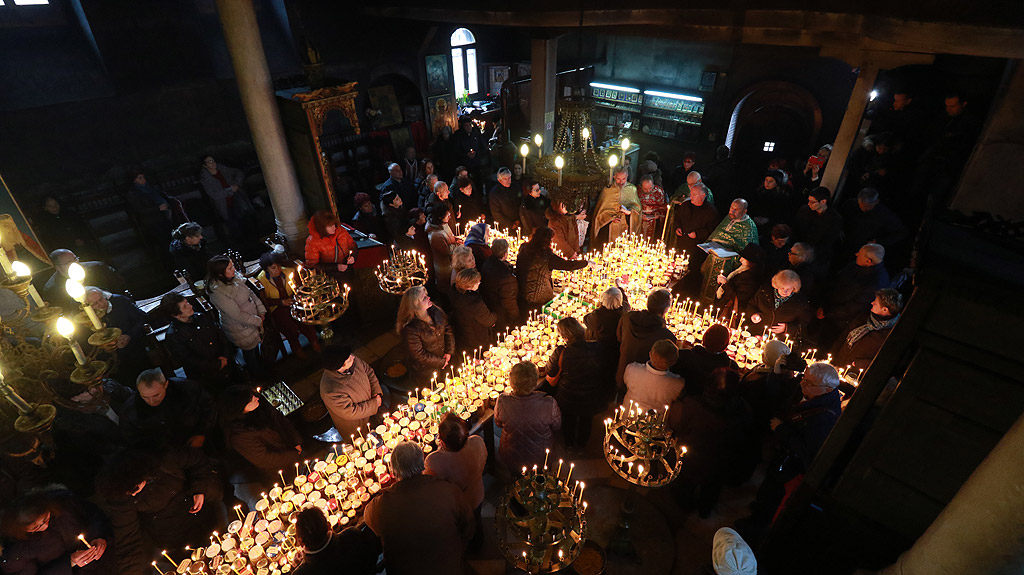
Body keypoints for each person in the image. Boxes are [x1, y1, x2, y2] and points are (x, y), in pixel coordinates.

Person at [96, 447, 224, 575]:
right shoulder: (121, 497)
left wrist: (199, 488)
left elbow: (198, 462)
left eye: (134, 489)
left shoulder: (165, 459)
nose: (133, 495)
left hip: (206, 515)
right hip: (175, 537)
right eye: (128, 494)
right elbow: (128, 542)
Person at [363, 441, 474, 575]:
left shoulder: (381, 506)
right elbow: (469, 527)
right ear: (422, 464)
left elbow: (369, 518)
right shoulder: (448, 491)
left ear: (393, 472)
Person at [667, 368, 749, 517]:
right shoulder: (741, 409)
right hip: (720, 461)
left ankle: (685, 505)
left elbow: (677, 425)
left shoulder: (692, 405)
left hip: (692, 457)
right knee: (712, 487)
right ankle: (705, 509)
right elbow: (741, 437)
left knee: (687, 483)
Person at [46, 377, 131, 497]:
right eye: (86, 391)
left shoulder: (107, 387)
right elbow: (98, 447)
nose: (95, 390)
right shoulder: (73, 423)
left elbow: (133, 399)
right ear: (74, 398)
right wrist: (130, 451)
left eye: (91, 386)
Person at [219, 385, 302, 506]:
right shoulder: (239, 436)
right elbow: (266, 458)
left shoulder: (260, 405)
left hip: (291, 450)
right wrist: (295, 454)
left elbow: (280, 419)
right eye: (250, 399)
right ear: (240, 408)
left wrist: (295, 442)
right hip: (278, 469)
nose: (255, 397)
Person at [0, 489, 113, 575]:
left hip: (108, 563)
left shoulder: (63, 503)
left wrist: (99, 536)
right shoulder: (18, 551)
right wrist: (69, 562)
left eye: (45, 518)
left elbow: (94, 514)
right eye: (36, 527)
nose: (45, 526)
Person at [424, 413, 488, 552]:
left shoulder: (434, 461)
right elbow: (484, 458)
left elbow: (434, 486)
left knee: (463, 528)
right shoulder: (476, 442)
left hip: (457, 504)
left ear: (441, 439)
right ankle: (479, 542)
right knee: (476, 518)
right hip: (477, 493)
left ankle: (469, 548)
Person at [545, 318, 609, 452]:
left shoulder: (562, 352)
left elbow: (550, 374)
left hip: (569, 397)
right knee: (586, 421)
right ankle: (582, 445)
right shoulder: (597, 346)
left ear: (565, 336)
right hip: (591, 395)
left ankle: (568, 444)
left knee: (568, 421)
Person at [119, 369, 216, 451]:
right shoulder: (129, 411)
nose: (151, 401)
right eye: (145, 397)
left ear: (166, 384)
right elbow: (133, 440)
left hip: (200, 440)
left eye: (156, 395)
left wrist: (201, 433)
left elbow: (209, 406)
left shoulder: (187, 389)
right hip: (166, 455)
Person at [159, 293, 240, 390]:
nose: (191, 306)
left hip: (227, 363)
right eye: (185, 306)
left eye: (187, 302)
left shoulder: (200, 317)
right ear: (175, 315)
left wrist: (225, 356)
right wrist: (217, 364)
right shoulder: (173, 336)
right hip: (206, 377)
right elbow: (189, 361)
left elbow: (221, 336)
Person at [817, 243, 890, 348]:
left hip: (840, 322)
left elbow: (854, 307)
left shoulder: (875, 283)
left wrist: (828, 312)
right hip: (831, 313)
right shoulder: (856, 266)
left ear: (868, 261)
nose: (856, 254)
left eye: (859, 254)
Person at [494, 361, 561, 475]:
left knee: (516, 479)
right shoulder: (549, 403)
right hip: (541, 454)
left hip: (511, 453)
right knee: (539, 478)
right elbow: (557, 426)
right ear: (535, 382)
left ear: (512, 382)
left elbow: (498, 423)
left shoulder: (502, 401)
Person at [206, 256, 266, 374]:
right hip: (241, 329)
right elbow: (237, 315)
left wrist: (261, 310)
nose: (234, 269)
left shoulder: (235, 278)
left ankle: (262, 369)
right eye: (230, 268)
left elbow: (251, 294)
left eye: (232, 265)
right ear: (220, 274)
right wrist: (258, 321)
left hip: (253, 321)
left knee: (256, 350)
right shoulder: (219, 293)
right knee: (250, 355)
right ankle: (257, 376)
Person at [256, 252, 321, 360]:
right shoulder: (262, 280)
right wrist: (281, 302)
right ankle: (297, 349)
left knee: (304, 319)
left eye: (278, 266)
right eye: (273, 268)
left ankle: (314, 342)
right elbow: (264, 300)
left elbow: (298, 288)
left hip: (293, 302)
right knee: (290, 326)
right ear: (266, 269)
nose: (277, 269)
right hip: (277, 308)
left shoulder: (288, 272)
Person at [515, 227, 588, 316]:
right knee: (539, 314)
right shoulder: (547, 256)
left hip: (522, 289)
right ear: (547, 241)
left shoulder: (524, 247)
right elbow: (568, 265)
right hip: (539, 295)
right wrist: (586, 263)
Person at [83, 286, 151, 380]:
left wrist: (129, 336)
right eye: (95, 304)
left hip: (136, 349)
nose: (101, 305)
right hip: (112, 363)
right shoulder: (85, 321)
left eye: (101, 299)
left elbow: (142, 318)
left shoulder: (120, 301)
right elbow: (88, 347)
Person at [319, 344, 384, 441]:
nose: (353, 357)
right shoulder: (330, 390)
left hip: (374, 409)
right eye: (349, 358)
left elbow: (369, 372)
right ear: (340, 366)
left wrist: (376, 393)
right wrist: (374, 404)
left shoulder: (351, 360)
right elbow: (350, 411)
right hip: (359, 425)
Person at [699, 199, 759, 301]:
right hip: (713, 258)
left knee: (718, 289)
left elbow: (748, 252)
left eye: (736, 209)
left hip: (728, 264)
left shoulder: (749, 227)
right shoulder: (728, 218)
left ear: (744, 211)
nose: (732, 211)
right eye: (731, 208)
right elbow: (717, 233)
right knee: (705, 283)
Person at [615, 288, 676, 387]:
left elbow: (619, 337)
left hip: (622, 373)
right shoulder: (666, 337)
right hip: (642, 384)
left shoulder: (627, 318)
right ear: (666, 309)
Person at [832, 288, 903, 370]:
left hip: (853, 372)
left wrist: (859, 364)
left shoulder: (890, 334)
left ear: (885, 309)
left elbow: (886, 361)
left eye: (876, 303)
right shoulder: (865, 316)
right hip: (838, 362)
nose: (872, 303)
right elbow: (844, 336)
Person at [293, 508, 380, 575]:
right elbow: (372, 559)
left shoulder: (301, 572)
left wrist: (299, 565)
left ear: (300, 542)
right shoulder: (352, 536)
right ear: (329, 526)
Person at [397, 286, 454, 386]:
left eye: (426, 296)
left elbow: (447, 329)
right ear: (415, 306)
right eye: (424, 298)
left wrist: (449, 351)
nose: (428, 298)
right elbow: (419, 354)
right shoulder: (411, 329)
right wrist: (441, 362)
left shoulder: (435, 311)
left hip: (444, 361)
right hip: (426, 371)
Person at [43, 249, 126, 311]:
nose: (75, 263)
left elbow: (119, 284)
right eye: (68, 263)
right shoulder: (52, 288)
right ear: (57, 267)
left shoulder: (97, 267)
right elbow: (65, 311)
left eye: (75, 259)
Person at [198, 155, 255, 242]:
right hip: (225, 204)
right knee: (235, 226)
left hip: (236, 200)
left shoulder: (223, 169)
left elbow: (238, 172)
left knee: (248, 221)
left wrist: (236, 184)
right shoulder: (205, 179)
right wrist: (230, 190)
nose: (213, 163)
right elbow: (214, 195)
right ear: (205, 165)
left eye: (213, 161)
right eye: (209, 162)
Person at [672, 324, 738, 399]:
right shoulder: (730, 369)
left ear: (704, 338)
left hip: (683, 399)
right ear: (726, 345)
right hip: (708, 405)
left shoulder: (685, 356)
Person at [840, 187, 908, 257]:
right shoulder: (850, 204)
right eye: (860, 204)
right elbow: (840, 218)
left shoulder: (885, 215)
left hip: (862, 251)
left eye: (866, 206)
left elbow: (901, 232)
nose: (862, 208)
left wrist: (878, 242)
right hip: (844, 244)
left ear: (876, 202)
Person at [746, 270, 814, 340]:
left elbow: (804, 323)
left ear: (794, 288)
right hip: (756, 334)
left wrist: (787, 328)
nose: (785, 291)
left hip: (778, 340)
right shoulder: (764, 292)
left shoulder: (800, 302)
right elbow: (751, 305)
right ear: (777, 285)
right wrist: (753, 314)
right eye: (782, 288)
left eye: (788, 289)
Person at [624, 338, 684, 412]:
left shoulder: (632, 369)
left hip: (626, 417)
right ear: (673, 362)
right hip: (655, 422)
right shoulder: (677, 383)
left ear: (650, 353)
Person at [127, 170, 174, 258]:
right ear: (134, 181)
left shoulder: (149, 189)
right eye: (140, 178)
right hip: (152, 222)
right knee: (163, 243)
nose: (143, 180)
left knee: (170, 238)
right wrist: (157, 208)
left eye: (143, 177)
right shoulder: (133, 194)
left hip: (162, 218)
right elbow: (139, 210)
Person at [793, 186, 843, 267]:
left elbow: (828, 241)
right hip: (799, 249)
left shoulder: (835, 219)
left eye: (812, 202)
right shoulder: (804, 210)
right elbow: (796, 228)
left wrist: (812, 252)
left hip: (816, 255)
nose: (809, 204)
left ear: (823, 201)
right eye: (808, 201)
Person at [584, 285, 630, 371]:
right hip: (617, 346)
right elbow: (625, 302)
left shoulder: (598, 316)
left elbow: (586, 320)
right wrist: (620, 289)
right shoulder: (625, 309)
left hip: (600, 347)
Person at [451, 268, 496, 354]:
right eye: (477, 282)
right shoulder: (474, 303)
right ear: (469, 286)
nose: (479, 283)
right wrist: (495, 315)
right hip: (477, 334)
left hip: (463, 331)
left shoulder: (454, 292)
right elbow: (489, 320)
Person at [304, 210, 358, 282]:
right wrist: (336, 267)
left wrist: (353, 257)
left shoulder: (341, 232)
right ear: (322, 228)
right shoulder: (313, 242)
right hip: (329, 278)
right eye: (330, 226)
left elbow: (353, 246)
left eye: (334, 225)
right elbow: (312, 266)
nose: (334, 228)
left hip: (347, 271)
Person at [592, 167, 642, 246]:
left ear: (627, 176)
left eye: (624, 178)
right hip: (609, 227)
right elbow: (600, 211)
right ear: (614, 177)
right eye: (618, 179)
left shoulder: (632, 189)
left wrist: (630, 211)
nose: (621, 182)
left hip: (626, 225)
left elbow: (637, 208)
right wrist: (610, 218)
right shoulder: (607, 190)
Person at [714, 244, 765, 314]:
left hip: (731, 311)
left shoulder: (751, 279)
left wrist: (725, 283)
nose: (741, 260)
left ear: (752, 262)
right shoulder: (742, 269)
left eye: (744, 258)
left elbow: (738, 297)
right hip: (725, 305)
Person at [479, 238, 519, 330]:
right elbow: (509, 301)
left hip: (490, 303)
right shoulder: (506, 277)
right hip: (501, 311)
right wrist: (515, 316)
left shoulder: (487, 262)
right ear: (505, 254)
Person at [426, 206, 457, 295]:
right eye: (447, 215)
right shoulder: (435, 235)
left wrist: (455, 240)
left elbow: (450, 239)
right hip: (444, 264)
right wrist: (456, 245)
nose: (449, 217)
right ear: (440, 217)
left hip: (450, 261)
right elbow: (445, 251)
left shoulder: (443, 224)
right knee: (445, 286)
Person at [488, 167, 520, 231]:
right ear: (499, 180)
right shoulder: (494, 193)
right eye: (505, 179)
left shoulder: (516, 187)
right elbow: (496, 213)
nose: (508, 181)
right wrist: (510, 224)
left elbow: (520, 203)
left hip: (518, 222)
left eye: (509, 178)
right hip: (504, 226)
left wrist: (519, 219)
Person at [637, 174, 668, 238]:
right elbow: (633, 207)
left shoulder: (659, 191)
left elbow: (664, 207)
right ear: (641, 186)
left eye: (650, 188)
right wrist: (639, 215)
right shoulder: (636, 191)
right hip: (639, 220)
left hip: (655, 222)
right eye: (645, 189)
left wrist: (658, 214)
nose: (648, 191)